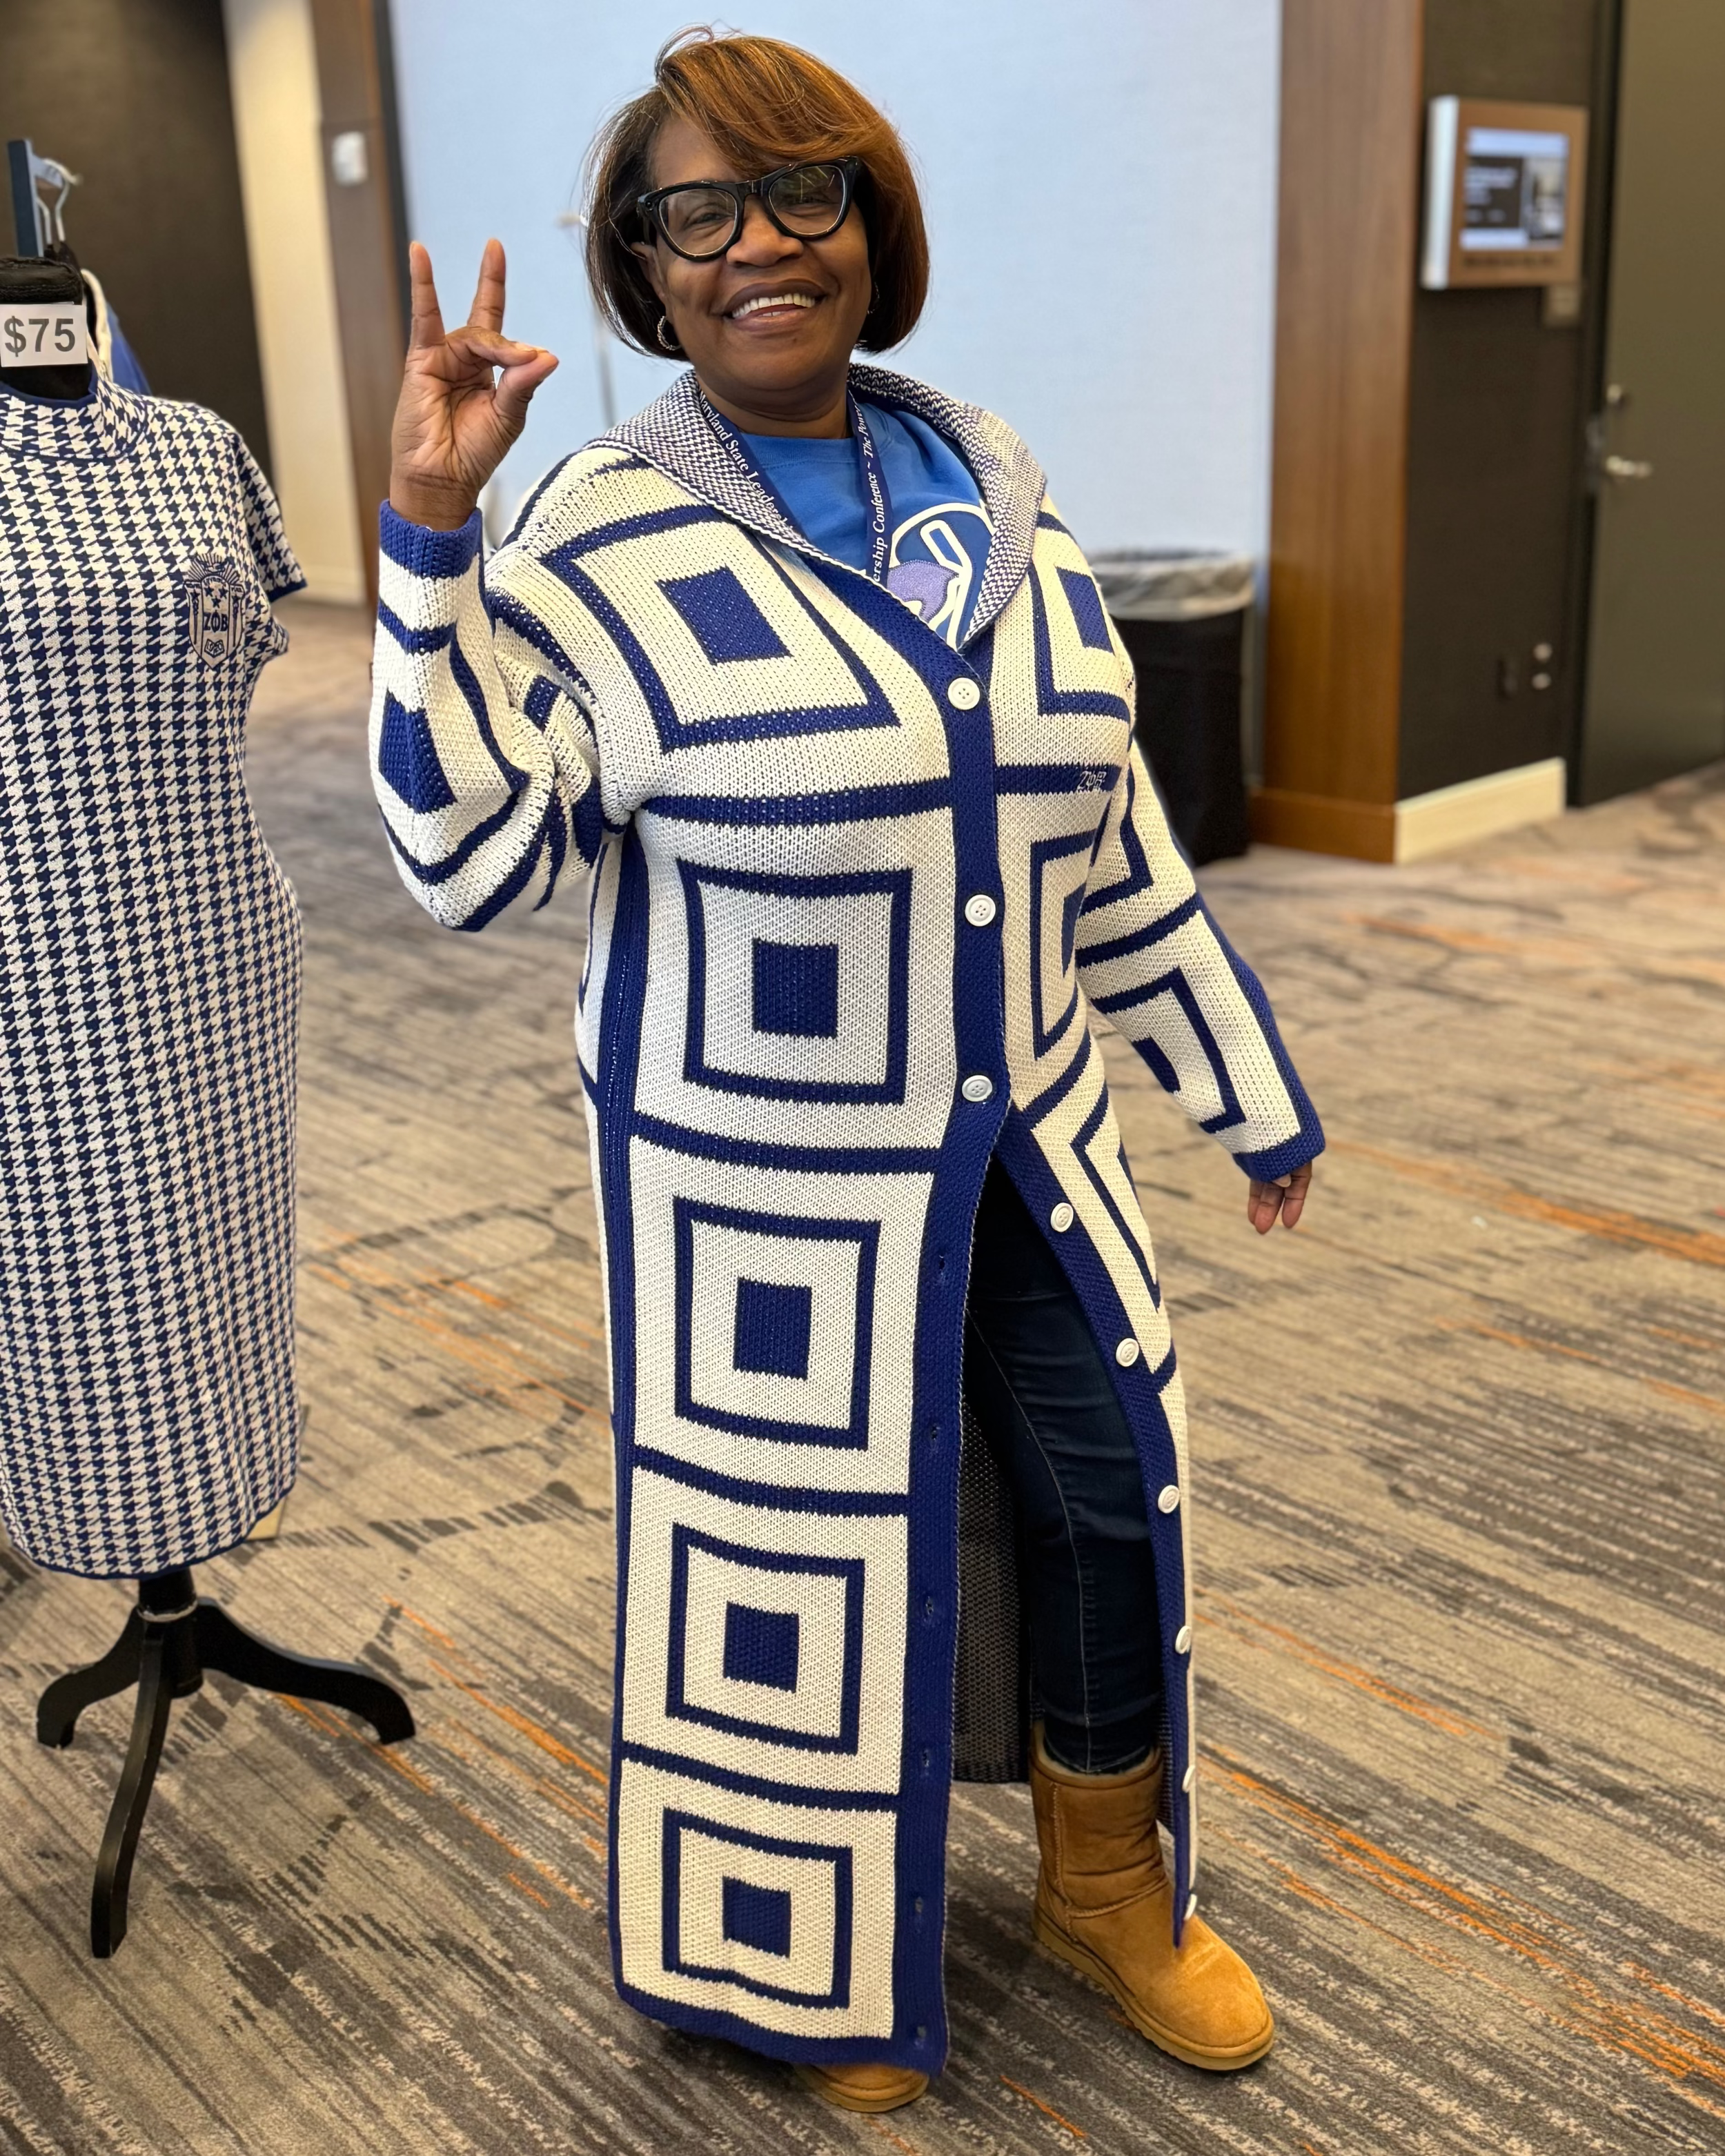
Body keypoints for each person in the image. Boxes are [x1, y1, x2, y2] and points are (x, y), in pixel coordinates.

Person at [371, 28, 1321, 2117]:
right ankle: (795, 1956)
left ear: (871, 227)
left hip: (1027, 1142)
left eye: (801, 193)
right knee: (805, 1565)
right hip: (770, 1202)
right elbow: (463, 859)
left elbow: (1102, 828)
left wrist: (1239, 1082)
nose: (757, 247)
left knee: (1106, 1501)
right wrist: (433, 534)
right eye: (695, 214)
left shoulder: (1002, 492)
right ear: (645, 270)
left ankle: (1107, 1887)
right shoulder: (598, 532)